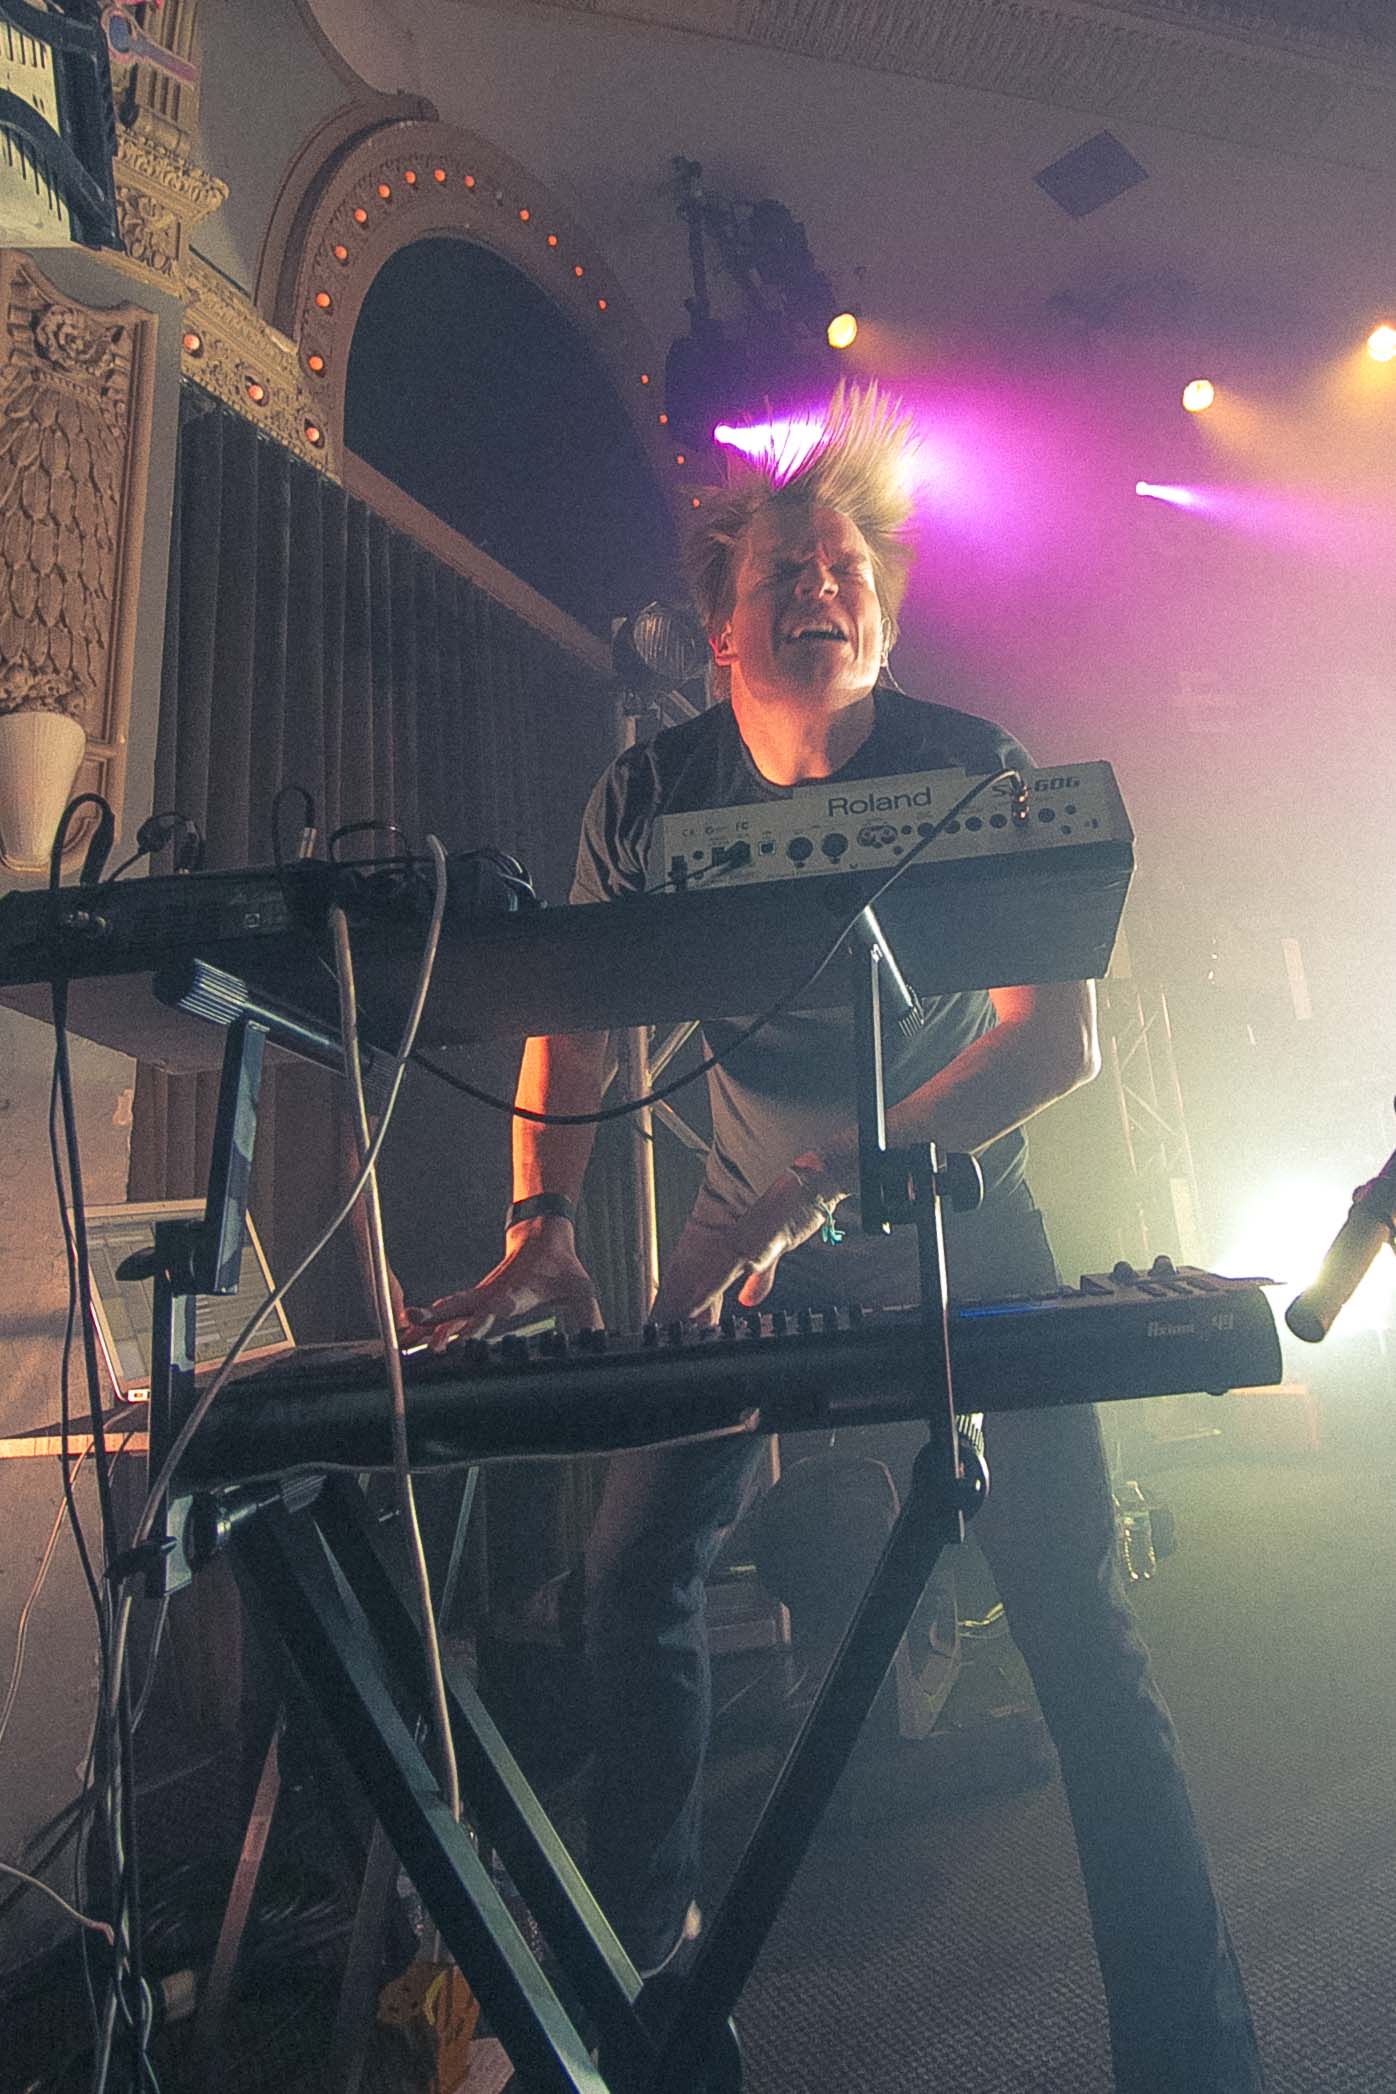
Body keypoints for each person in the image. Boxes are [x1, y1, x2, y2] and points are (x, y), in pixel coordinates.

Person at [406, 385, 1266, 2091]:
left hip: (955, 1218)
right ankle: (639, 1987)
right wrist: (540, 1221)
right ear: (719, 628)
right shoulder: (647, 798)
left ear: (882, 607)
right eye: (789, 566)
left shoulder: (974, 771)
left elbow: (1052, 1042)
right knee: (632, 1565)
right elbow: (570, 1025)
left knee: (1078, 1617)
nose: (828, 583)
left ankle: (1197, 2049)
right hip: (745, 1247)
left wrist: (806, 1191)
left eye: (851, 561)